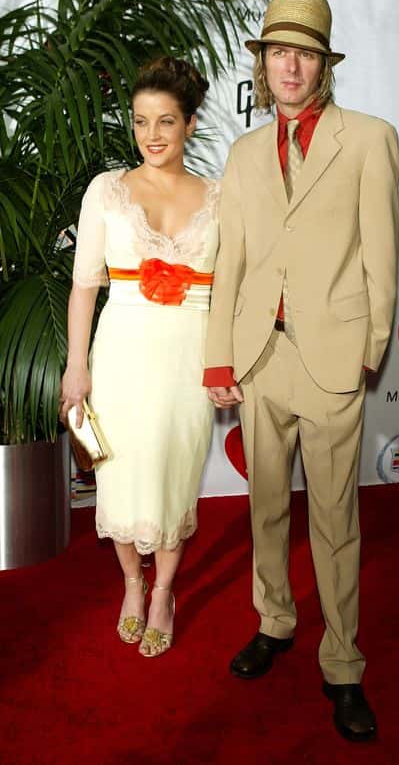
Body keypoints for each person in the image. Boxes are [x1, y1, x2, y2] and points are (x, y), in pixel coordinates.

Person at [203, 0, 399, 740]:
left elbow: (381, 256)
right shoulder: (244, 153)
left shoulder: (371, 139)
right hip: (261, 356)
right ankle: (275, 620)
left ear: (325, 65)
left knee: (335, 518)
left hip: (331, 358)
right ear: (263, 63)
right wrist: (219, 356)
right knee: (265, 507)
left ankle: (343, 664)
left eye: (306, 54)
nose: (291, 66)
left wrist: (369, 348)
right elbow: (230, 262)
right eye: (279, 52)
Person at [60, 56, 218, 658]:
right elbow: (84, 286)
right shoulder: (107, 191)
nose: (151, 135)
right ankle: (132, 582)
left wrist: (225, 364)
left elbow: (233, 290)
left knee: (175, 476)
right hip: (121, 352)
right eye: (141, 121)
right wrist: (77, 367)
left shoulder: (220, 197)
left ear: (190, 125)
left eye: (166, 121)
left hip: (189, 357)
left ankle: (164, 593)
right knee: (119, 477)